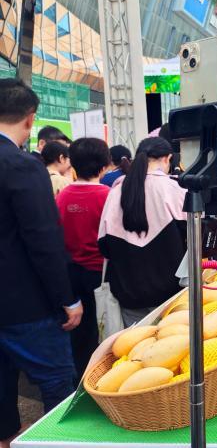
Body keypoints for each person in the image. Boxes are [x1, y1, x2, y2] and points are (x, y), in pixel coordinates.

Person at [0, 79, 82, 448]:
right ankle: (56, 442)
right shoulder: (21, 166)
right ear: (30, 118)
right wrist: (68, 299)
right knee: (56, 382)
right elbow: (43, 240)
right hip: (26, 304)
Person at [98, 137, 186, 327]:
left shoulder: (116, 191)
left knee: (134, 343)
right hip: (171, 295)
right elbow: (195, 236)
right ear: (167, 158)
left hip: (128, 293)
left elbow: (104, 245)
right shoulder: (173, 187)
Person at [56, 138, 111, 376]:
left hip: (70, 273)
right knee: (103, 330)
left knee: (79, 333)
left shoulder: (62, 196)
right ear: (104, 166)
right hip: (101, 275)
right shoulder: (108, 196)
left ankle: (80, 378)